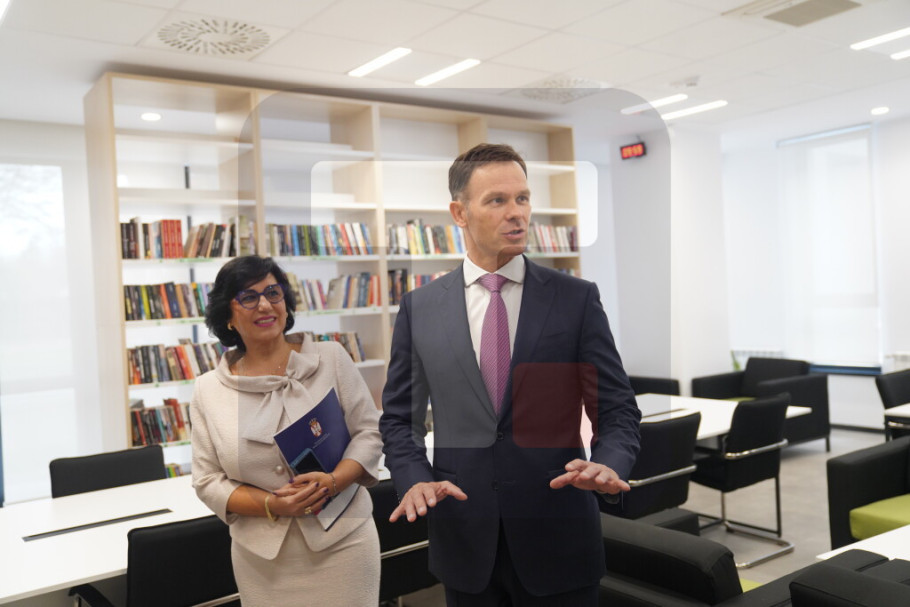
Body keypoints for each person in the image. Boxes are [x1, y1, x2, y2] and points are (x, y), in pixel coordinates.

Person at [380, 143, 642, 605]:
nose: (516, 213)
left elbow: (617, 408)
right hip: (464, 536)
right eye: (497, 200)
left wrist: (610, 461)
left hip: (558, 533)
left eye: (522, 198)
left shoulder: (575, 298)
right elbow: (400, 419)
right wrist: (413, 476)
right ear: (459, 213)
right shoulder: (420, 308)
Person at [191, 255, 382, 606]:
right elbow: (207, 480)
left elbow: (369, 433)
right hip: (262, 561)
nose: (264, 305)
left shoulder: (331, 358)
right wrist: (273, 504)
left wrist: (334, 481)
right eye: (248, 297)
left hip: (345, 542)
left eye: (273, 293)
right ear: (227, 316)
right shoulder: (208, 390)